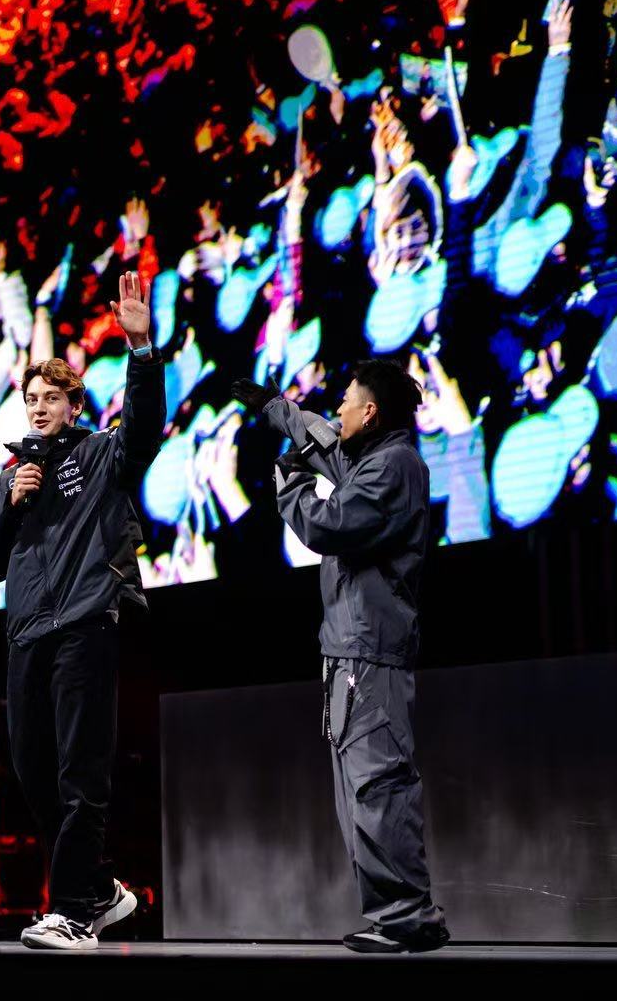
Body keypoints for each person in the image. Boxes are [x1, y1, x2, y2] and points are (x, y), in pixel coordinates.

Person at [0, 271, 164, 951]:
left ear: (75, 405)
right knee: (32, 770)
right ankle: (100, 887)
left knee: (79, 770)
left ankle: (75, 912)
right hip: (27, 634)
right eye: (31, 398)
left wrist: (140, 350)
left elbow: (144, 429)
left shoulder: (99, 454)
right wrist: (12, 502)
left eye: (51, 397)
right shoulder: (9, 477)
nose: (38, 407)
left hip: (86, 624)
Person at [232, 360, 450, 953]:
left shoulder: (394, 465)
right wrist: (275, 408)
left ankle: (407, 917)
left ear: (370, 413)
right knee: (359, 793)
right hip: (351, 651)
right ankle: (398, 916)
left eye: (347, 401)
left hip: (369, 652)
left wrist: (290, 482)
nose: (338, 410)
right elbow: (324, 442)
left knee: (378, 786)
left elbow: (329, 523)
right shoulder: (375, 458)